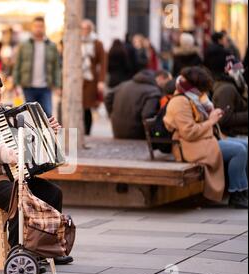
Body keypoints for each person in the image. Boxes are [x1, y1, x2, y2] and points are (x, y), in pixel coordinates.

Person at [0, 59, 73, 266]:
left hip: (5, 177)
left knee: (53, 193)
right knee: (20, 198)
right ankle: (19, 254)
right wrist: (1, 153)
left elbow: (22, 146)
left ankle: (46, 248)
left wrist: (47, 131)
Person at [164, 67, 247, 208]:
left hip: (205, 140)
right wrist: (211, 121)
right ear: (195, 87)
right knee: (238, 151)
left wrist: (212, 114)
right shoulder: (180, 102)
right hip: (191, 147)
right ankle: (236, 194)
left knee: (245, 145)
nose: (204, 93)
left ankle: (243, 190)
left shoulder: (195, 98)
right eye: (202, 89)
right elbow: (188, 133)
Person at [13, 16, 61, 117]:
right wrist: (16, 84)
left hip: (45, 87)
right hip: (28, 87)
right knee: (30, 116)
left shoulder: (51, 45)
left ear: (44, 27)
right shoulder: (24, 45)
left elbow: (56, 67)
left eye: (41, 26)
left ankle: (46, 133)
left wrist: (58, 85)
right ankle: (32, 134)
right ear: (32, 27)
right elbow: (17, 65)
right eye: (36, 26)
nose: (38, 28)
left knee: (47, 114)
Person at [105, 70, 172, 139]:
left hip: (117, 131)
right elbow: (147, 115)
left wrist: (111, 115)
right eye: (168, 81)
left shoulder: (123, 85)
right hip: (137, 134)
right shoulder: (154, 91)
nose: (168, 85)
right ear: (160, 78)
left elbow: (108, 97)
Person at [81, 19, 107, 136]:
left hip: (91, 79)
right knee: (75, 108)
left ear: (91, 29)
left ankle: (87, 133)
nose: (85, 30)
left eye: (87, 28)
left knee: (87, 108)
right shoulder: (75, 41)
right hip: (76, 80)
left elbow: (103, 63)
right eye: (83, 28)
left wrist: (101, 81)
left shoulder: (97, 43)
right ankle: (75, 134)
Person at [212, 55, 248, 137]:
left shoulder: (231, 86)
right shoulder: (227, 89)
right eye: (239, 71)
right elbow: (224, 119)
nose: (242, 74)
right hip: (233, 134)